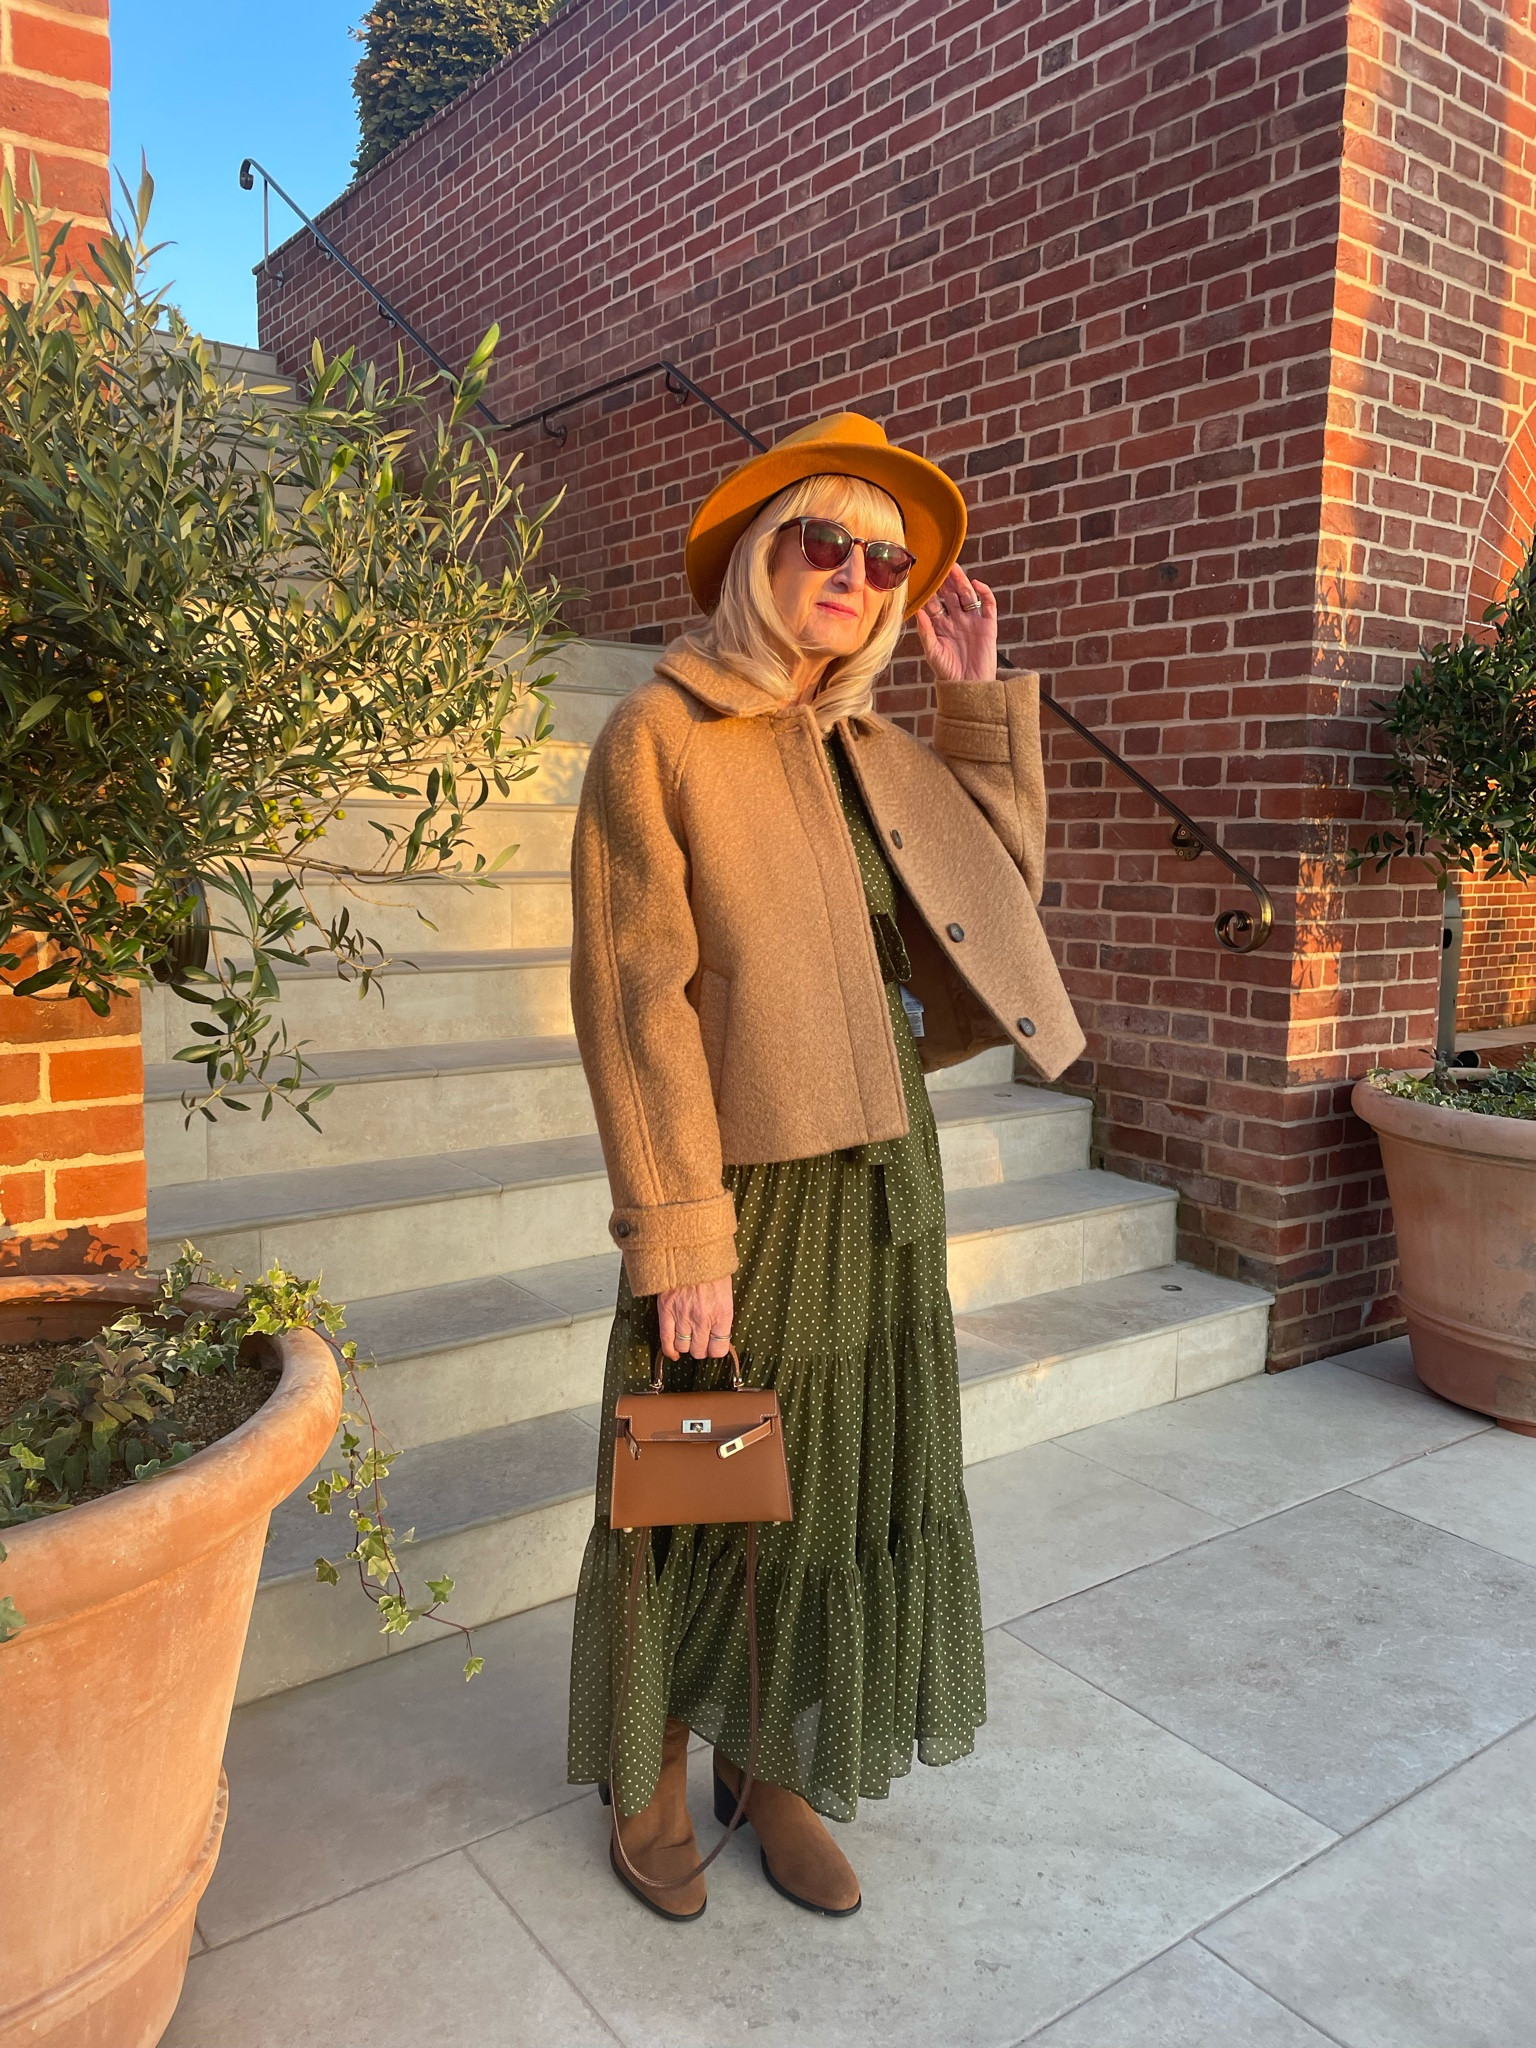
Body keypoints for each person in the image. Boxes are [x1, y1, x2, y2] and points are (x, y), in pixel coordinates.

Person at [565, 411, 1085, 1920]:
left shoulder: (869, 744)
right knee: (696, 1475)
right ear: (757, 551)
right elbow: (630, 997)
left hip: (881, 1172)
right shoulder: (662, 731)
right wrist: (679, 1229)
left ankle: (771, 1755)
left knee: (837, 1489)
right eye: (829, 542)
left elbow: (995, 907)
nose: (858, 575)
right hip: (746, 1183)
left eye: (887, 559)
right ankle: (653, 1758)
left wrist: (975, 701)